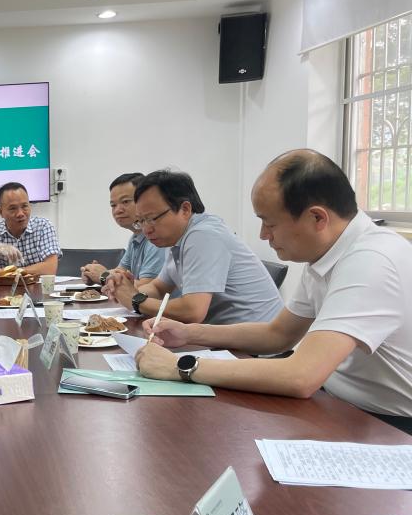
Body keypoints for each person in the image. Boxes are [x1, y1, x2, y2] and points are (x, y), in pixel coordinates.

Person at [137, 150, 412, 435]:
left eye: (269, 223)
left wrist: (179, 366)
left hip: (390, 426)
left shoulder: (371, 261)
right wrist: (189, 333)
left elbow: (301, 376)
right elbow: (278, 334)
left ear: (317, 217)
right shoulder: (326, 255)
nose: (263, 235)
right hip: (338, 403)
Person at [103, 169, 282, 324]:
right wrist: (124, 291)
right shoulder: (177, 239)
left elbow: (193, 311)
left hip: (256, 345)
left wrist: (135, 300)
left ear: (185, 209)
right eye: (141, 221)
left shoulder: (203, 235)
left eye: (152, 219)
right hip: (221, 336)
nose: (146, 230)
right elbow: (158, 288)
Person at [81, 172, 166, 287]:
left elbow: (146, 288)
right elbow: (119, 273)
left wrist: (103, 276)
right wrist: (92, 273)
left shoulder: (156, 238)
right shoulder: (135, 237)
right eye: (113, 205)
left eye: (125, 201)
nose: (117, 210)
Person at [0, 182, 61, 275]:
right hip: (5, 285)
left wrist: (13, 272)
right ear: (1, 212)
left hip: (36, 284)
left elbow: (50, 268)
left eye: (24, 206)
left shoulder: (43, 226)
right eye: (13, 208)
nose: (20, 214)